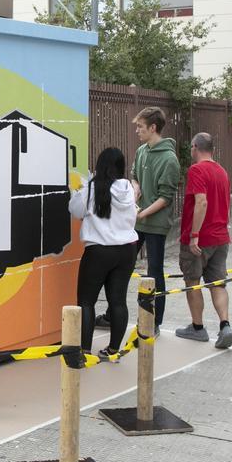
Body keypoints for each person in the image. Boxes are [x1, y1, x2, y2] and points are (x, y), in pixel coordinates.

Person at [94, 106, 179, 333]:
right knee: (123, 267)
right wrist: (136, 188)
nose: (137, 131)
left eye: (140, 127)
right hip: (136, 222)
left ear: (153, 128)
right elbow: (134, 176)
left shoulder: (169, 159)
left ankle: (154, 322)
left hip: (155, 225)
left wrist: (142, 212)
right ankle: (112, 315)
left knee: (155, 271)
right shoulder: (142, 151)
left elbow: (166, 197)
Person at [69, 147, 138, 356]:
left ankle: (84, 351)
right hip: (127, 250)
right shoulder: (128, 187)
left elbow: (75, 210)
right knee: (118, 301)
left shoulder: (92, 188)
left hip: (99, 251)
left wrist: (78, 190)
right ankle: (113, 349)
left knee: (86, 301)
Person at [175, 133, 232, 348]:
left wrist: (194, 236)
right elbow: (225, 203)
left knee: (193, 282)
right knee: (218, 283)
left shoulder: (197, 170)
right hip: (221, 237)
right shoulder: (222, 171)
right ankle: (225, 325)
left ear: (195, 147)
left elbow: (201, 202)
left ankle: (198, 328)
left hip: (201, 239)